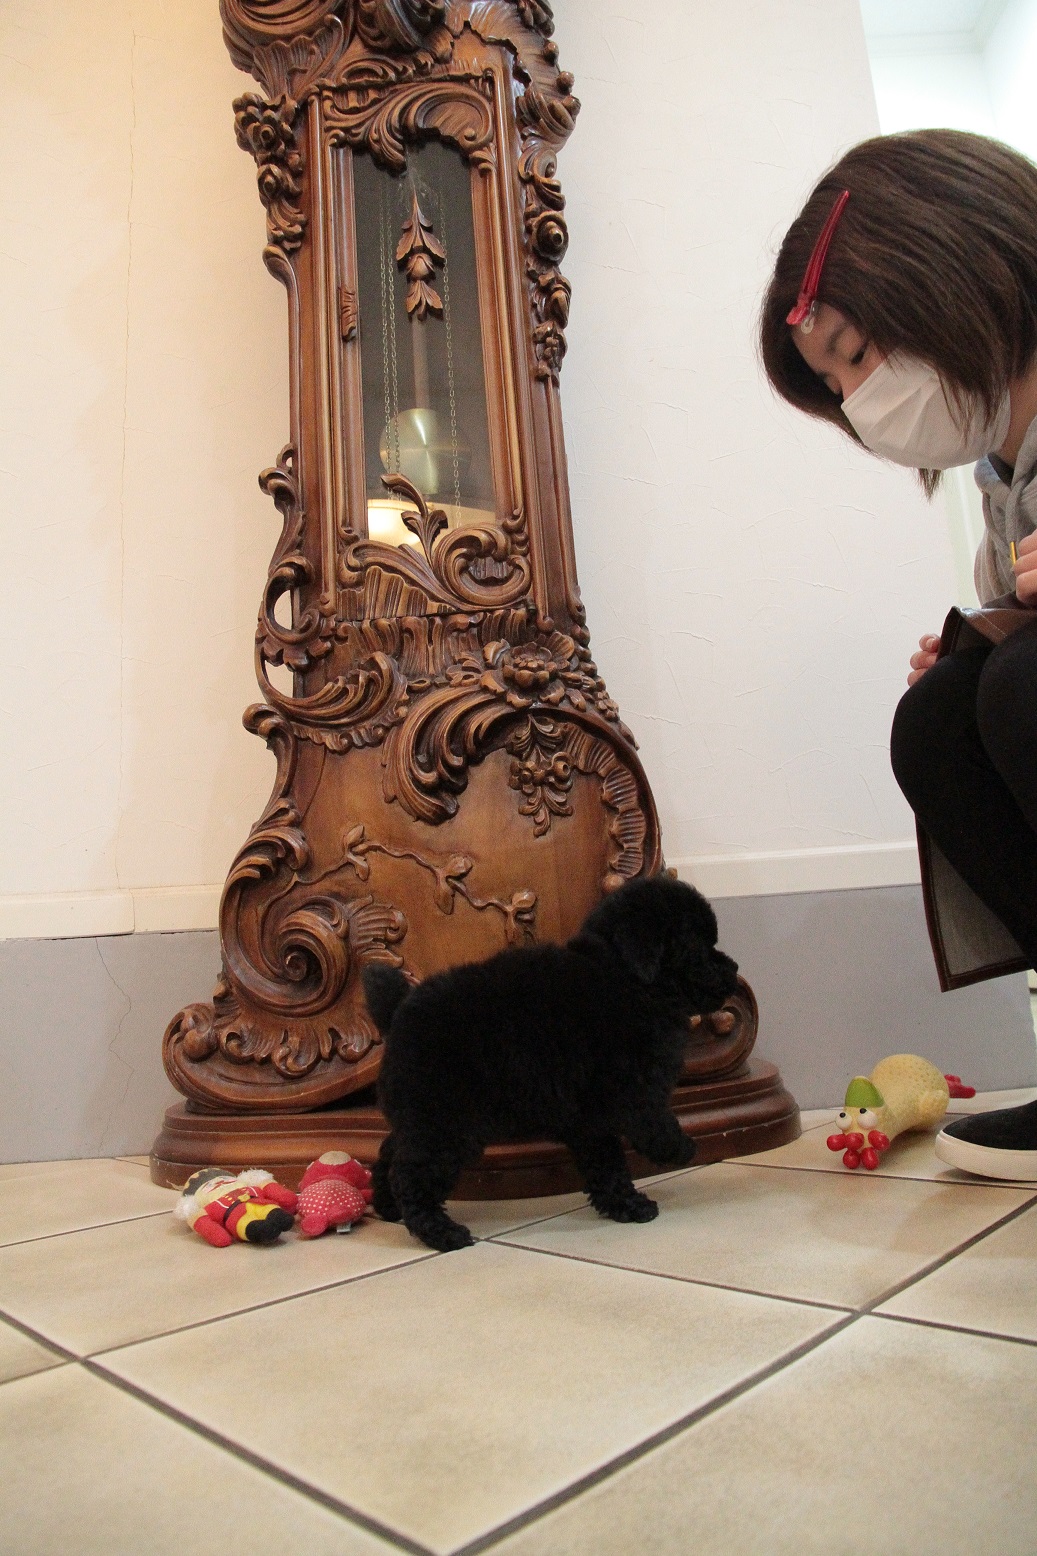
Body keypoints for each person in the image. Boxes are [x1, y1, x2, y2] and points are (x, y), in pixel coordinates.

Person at [760, 129, 1037, 1181]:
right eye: (833, 383)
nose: (855, 400)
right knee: (943, 716)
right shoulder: (1000, 474)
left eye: (852, 353)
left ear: (943, 268)